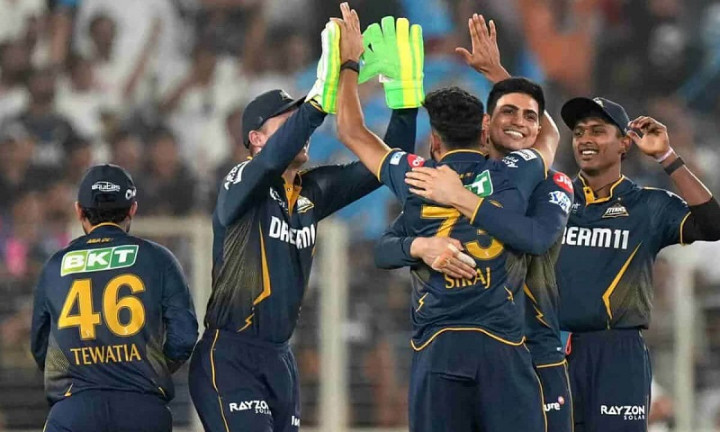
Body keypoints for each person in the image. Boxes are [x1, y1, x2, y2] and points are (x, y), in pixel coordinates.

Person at [187, 10, 421, 431]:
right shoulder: (241, 180)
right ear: (255, 138)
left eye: (300, 118)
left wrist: (403, 101)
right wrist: (316, 103)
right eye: (286, 119)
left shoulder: (310, 191)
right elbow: (269, 163)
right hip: (230, 355)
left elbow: (385, 164)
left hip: (280, 359)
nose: (303, 128)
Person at [333, 5, 561, 431]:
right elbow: (549, 133)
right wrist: (496, 73)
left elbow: (351, 131)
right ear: (485, 132)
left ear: (434, 141)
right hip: (502, 345)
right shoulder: (516, 172)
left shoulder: (416, 176)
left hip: (439, 346)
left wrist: (348, 63)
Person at [556, 96, 720, 432]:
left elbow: (713, 225)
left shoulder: (648, 206)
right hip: (554, 347)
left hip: (619, 352)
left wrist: (667, 156)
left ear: (624, 144)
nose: (585, 139)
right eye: (579, 132)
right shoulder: (554, 199)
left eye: (598, 131)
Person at [30, 164, 198, 432]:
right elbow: (184, 337)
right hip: (142, 409)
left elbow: (40, 347)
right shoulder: (159, 259)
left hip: (74, 411)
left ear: (79, 211)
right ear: (132, 209)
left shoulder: (54, 266)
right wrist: (146, 370)